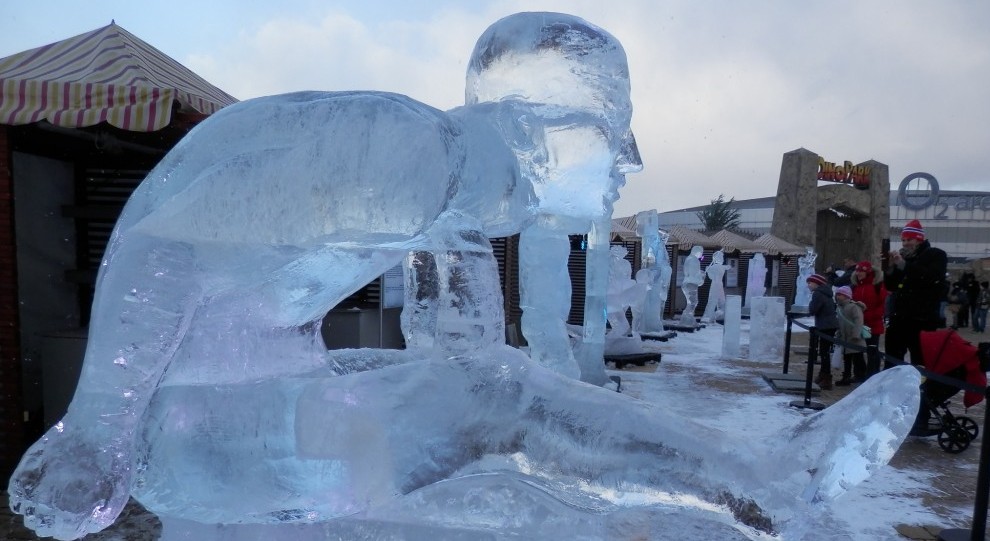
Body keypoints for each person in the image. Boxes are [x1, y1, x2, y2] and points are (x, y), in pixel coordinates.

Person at [8, 13, 645, 539]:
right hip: (195, 428)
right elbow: (164, 250)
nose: (630, 161)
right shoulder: (410, 152)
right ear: (550, 128)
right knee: (509, 411)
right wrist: (97, 431)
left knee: (493, 411)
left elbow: (467, 361)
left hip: (269, 396)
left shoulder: (452, 205)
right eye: (618, 135)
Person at [883, 219, 948, 436]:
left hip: (923, 322)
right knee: (892, 363)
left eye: (909, 239)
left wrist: (904, 266)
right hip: (900, 319)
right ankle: (888, 408)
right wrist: (891, 268)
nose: (905, 243)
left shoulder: (936, 255)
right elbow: (892, 286)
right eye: (903, 239)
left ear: (919, 239)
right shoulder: (905, 259)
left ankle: (920, 415)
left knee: (920, 367)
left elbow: (931, 278)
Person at [850, 260, 889, 379]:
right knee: (857, 350)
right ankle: (860, 373)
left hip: (872, 323)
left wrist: (872, 315)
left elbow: (883, 304)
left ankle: (872, 374)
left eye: (861, 271)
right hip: (858, 323)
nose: (858, 273)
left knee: (872, 349)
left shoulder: (877, 285)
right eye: (857, 271)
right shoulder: (856, 285)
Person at [806, 273, 837, 390]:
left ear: (816, 283)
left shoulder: (818, 294)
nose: (808, 285)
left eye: (810, 283)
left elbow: (813, 309)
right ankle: (823, 374)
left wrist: (810, 305)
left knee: (824, 353)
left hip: (825, 325)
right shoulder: (826, 292)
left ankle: (826, 378)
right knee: (824, 352)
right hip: (829, 324)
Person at [834, 286, 867, 386]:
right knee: (847, 359)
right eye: (837, 294)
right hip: (845, 338)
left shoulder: (854, 307)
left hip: (855, 338)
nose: (837, 297)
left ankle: (861, 376)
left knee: (858, 358)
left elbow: (858, 321)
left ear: (846, 296)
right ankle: (846, 377)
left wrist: (856, 334)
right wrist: (838, 333)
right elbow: (839, 322)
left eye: (840, 295)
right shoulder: (839, 307)